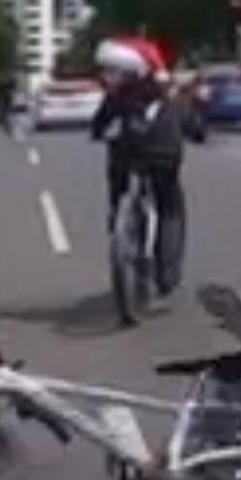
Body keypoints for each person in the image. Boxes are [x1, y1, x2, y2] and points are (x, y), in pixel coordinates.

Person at [92, 37, 185, 294]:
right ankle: (167, 270)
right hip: (164, 156)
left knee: (118, 191)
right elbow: (187, 118)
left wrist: (98, 133)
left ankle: (119, 230)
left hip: (125, 156)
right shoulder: (162, 91)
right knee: (170, 207)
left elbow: (100, 123)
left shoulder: (117, 96)